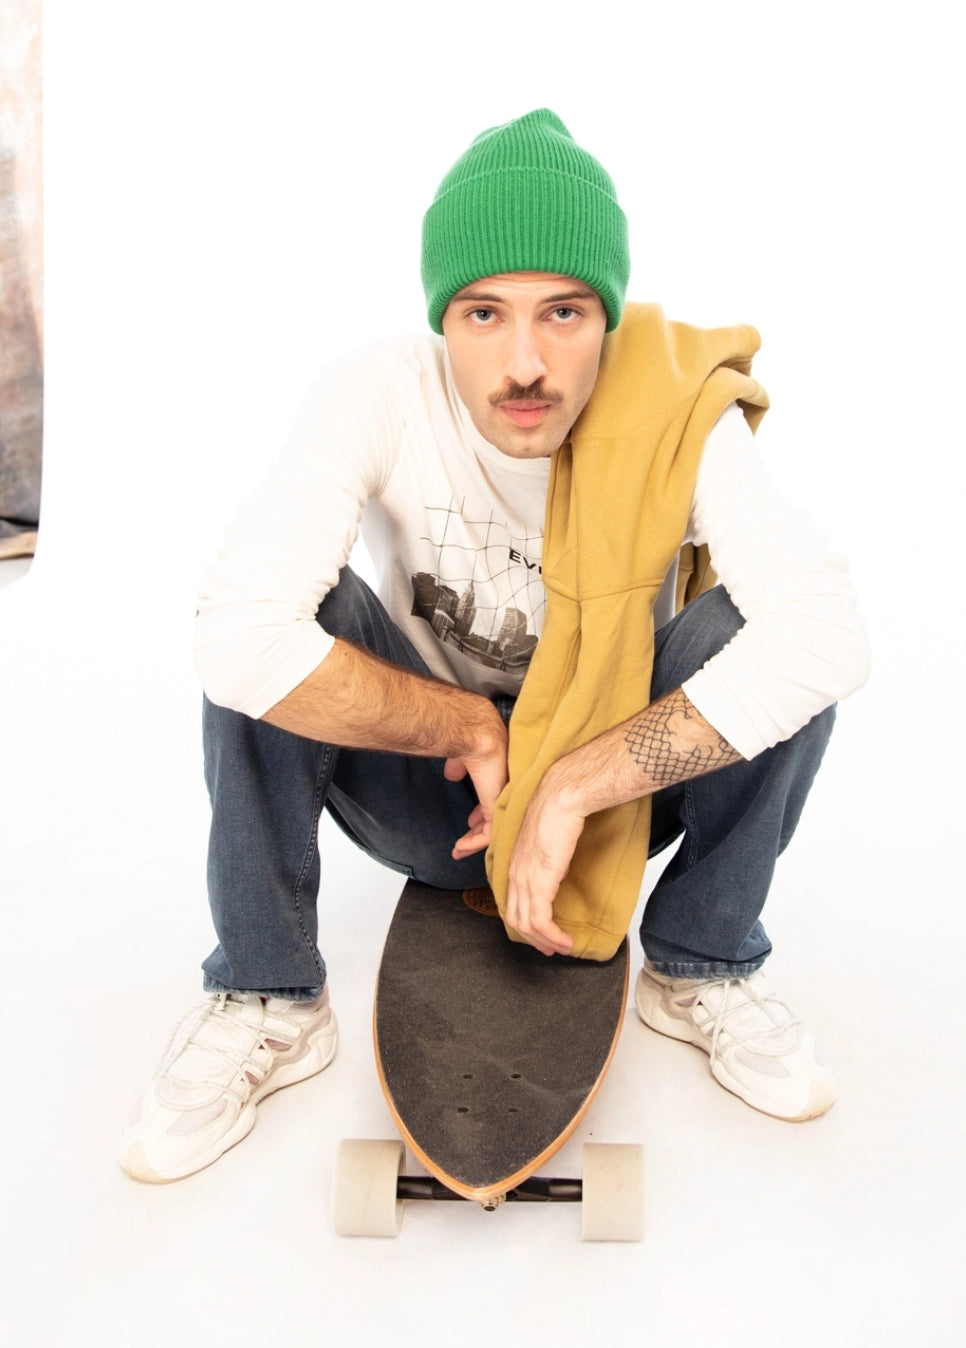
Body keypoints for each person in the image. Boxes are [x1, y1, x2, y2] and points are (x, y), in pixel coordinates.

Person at [121, 109, 869, 1183]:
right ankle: (268, 992)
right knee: (285, 615)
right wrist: (469, 722)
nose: (525, 362)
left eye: (563, 313)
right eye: (484, 314)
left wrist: (569, 786)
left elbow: (826, 635)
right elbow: (236, 639)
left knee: (769, 635)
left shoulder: (675, 413)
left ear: (607, 316)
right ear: (442, 321)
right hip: (434, 787)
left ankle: (701, 957)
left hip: (611, 807)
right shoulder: (376, 391)